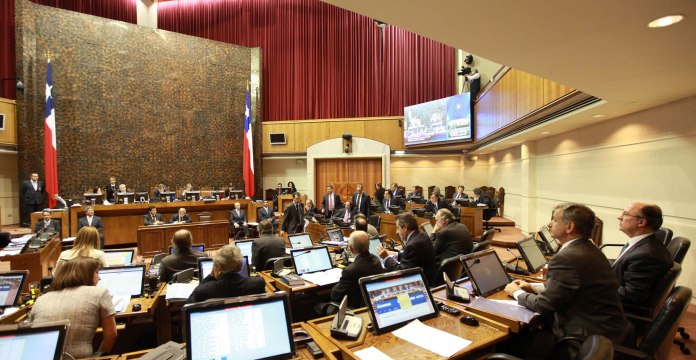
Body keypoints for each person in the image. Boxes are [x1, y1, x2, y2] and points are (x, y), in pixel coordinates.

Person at [504, 203, 629, 358]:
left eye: (554, 220)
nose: (549, 224)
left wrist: (516, 293)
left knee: (507, 343)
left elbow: (543, 305)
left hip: (582, 335)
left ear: (569, 227)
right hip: (606, 327)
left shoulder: (566, 257)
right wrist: (533, 287)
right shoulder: (589, 248)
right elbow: (574, 285)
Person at [29, 257, 117, 358]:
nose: (99, 277)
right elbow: (111, 335)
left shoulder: (41, 299)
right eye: (96, 272)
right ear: (86, 274)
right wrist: (98, 357)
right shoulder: (99, 293)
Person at [612, 203, 673, 307]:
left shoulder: (646, 255)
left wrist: (596, 286)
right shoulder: (642, 244)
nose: (619, 217)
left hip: (615, 311)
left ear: (641, 222)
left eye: (625, 214)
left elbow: (631, 295)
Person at [187, 244, 266, 303]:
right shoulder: (258, 283)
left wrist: (211, 275)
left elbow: (189, 304)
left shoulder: (203, 290)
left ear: (219, 269)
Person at [331, 231, 385, 308]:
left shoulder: (350, 270)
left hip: (354, 308)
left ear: (351, 247)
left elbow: (335, 296)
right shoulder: (376, 260)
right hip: (372, 304)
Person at [377, 212, 436, 284]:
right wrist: (397, 254)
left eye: (398, 228)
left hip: (421, 283)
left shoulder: (412, 245)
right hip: (429, 277)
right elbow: (414, 257)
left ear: (405, 228)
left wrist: (386, 258)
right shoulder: (422, 235)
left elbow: (402, 272)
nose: (397, 232)